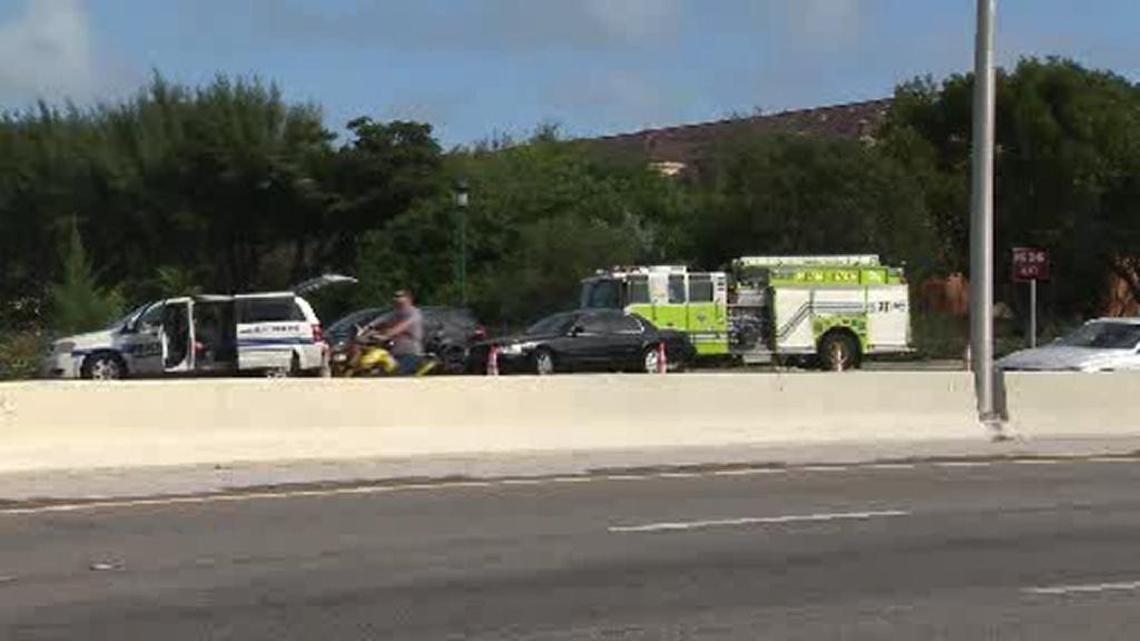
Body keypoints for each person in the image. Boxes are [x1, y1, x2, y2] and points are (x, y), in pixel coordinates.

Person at [367, 290, 425, 375]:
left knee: (396, 374)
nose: (396, 299)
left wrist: (385, 335)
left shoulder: (414, 314)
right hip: (394, 353)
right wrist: (368, 328)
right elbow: (381, 320)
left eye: (400, 296)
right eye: (395, 296)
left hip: (410, 353)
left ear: (409, 299)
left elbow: (400, 327)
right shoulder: (395, 313)